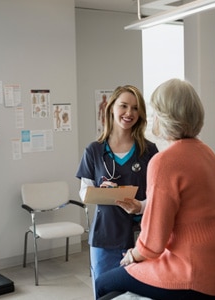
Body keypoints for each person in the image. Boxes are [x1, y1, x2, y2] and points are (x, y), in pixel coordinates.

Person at [95, 79, 215, 300]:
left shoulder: (163, 161)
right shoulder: (209, 154)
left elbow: (153, 243)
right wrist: (144, 207)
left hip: (198, 275)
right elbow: (198, 204)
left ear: (165, 118)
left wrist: (133, 255)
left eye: (155, 112)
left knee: (104, 282)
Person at [76, 85, 159, 298]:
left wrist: (140, 204)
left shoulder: (149, 151)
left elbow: (158, 196)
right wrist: (100, 191)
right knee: (106, 293)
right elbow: (84, 192)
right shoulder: (94, 150)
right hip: (105, 237)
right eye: (124, 106)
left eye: (135, 108)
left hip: (142, 239)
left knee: (139, 295)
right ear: (111, 108)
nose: (129, 113)